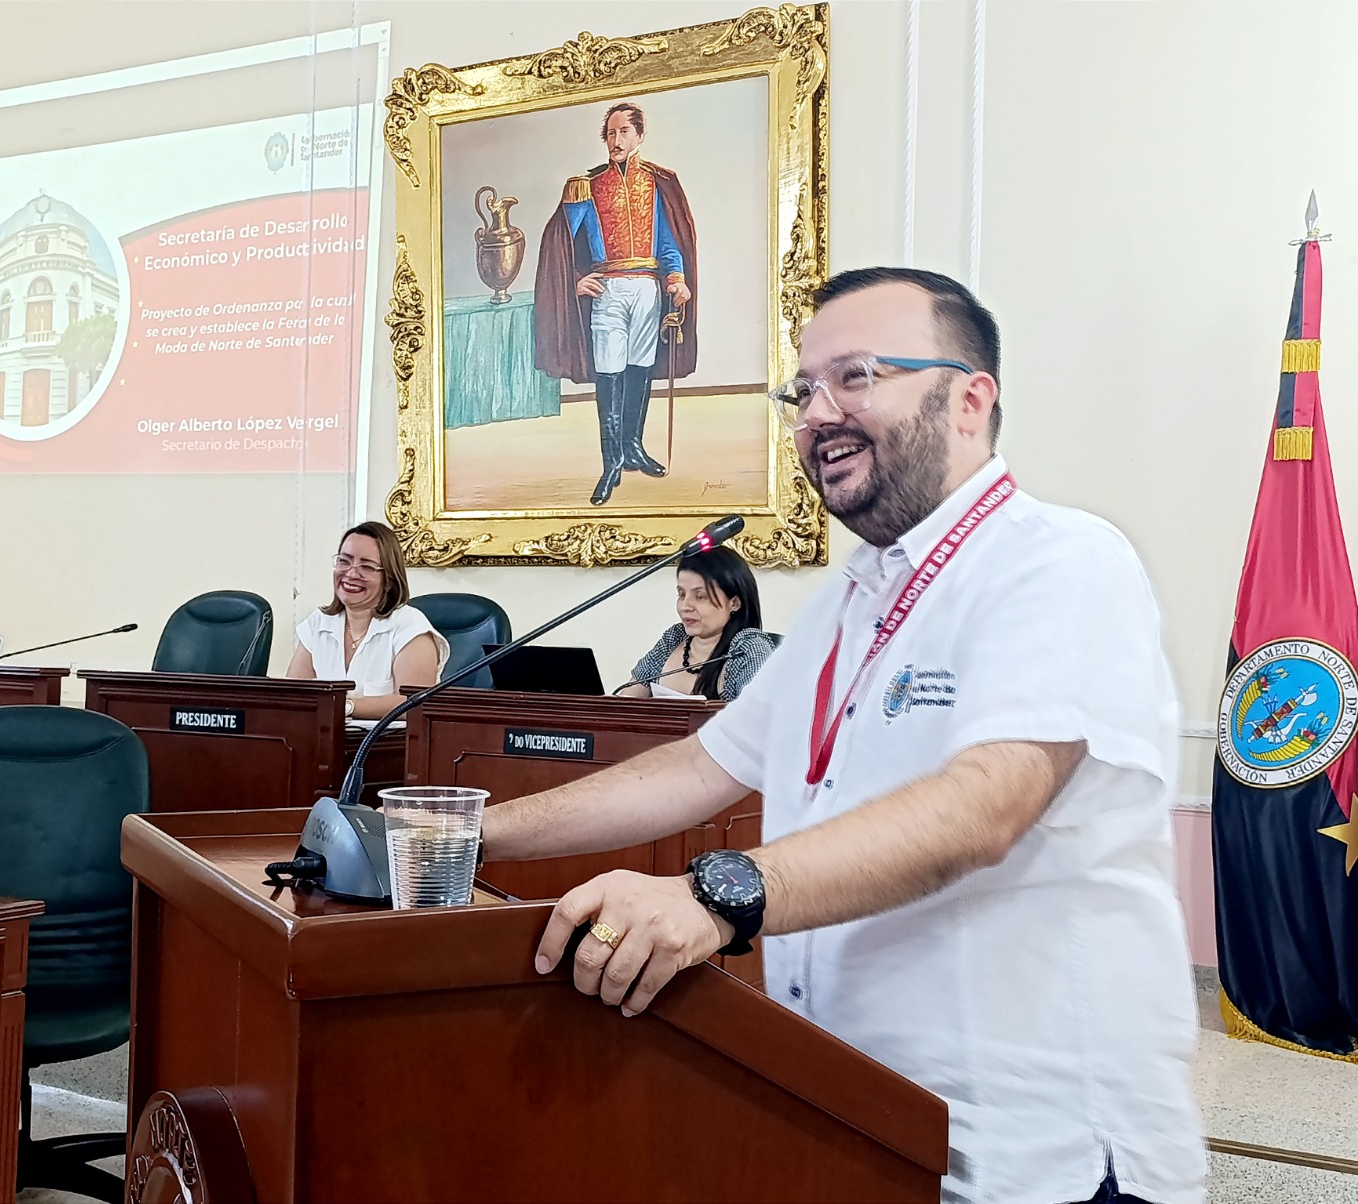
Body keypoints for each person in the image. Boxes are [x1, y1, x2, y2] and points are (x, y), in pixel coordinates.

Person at [481, 268, 1205, 1204]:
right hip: (864, 1122)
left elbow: (985, 806)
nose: (819, 412)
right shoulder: (848, 603)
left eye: (857, 376)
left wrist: (718, 896)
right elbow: (701, 765)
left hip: (1040, 1154)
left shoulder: (1060, 562)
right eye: (804, 390)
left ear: (970, 400)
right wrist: (470, 836)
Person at [533, 100, 699, 506]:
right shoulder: (585, 187)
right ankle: (611, 462)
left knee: (640, 368)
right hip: (608, 290)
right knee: (609, 371)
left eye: (624, 131)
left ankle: (633, 448)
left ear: (639, 135)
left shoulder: (660, 185)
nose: (616, 139)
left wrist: (676, 279)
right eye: (610, 133)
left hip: (648, 290)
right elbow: (561, 246)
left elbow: (667, 245)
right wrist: (574, 280)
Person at [286, 521, 449, 719]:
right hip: (321, 742)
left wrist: (345, 706)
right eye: (344, 561)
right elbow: (293, 696)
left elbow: (415, 703)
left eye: (367, 566)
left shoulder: (410, 627)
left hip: (388, 746)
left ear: (389, 578)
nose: (351, 573)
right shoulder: (318, 623)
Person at [616, 546, 773, 702]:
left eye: (700, 596)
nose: (685, 606)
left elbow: (757, 720)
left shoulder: (748, 650)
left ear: (734, 603)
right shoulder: (674, 638)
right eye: (681, 594)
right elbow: (625, 702)